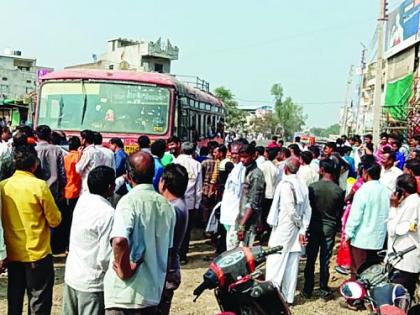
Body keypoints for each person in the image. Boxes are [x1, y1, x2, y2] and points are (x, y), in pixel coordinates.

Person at [103, 152, 176, 314]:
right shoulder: (167, 206)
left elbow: (119, 241)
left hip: (124, 296)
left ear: (128, 176)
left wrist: (124, 270)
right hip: (151, 294)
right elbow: (169, 252)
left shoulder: (128, 201)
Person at [0, 147, 62, 315]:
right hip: (38, 252)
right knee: (39, 299)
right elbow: (55, 220)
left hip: (12, 253)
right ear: (34, 166)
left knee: (14, 298)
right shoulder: (39, 186)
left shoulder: (3, 186)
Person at [63, 166, 116, 315]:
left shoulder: (83, 200)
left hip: (73, 276)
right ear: (110, 187)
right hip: (92, 283)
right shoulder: (108, 213)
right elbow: (105, 257)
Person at [266, 157, 311, 304]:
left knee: (276, 259)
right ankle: (287, 296)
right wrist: (303, 228)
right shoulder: (302, 185)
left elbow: (290, 209)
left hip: (286, 226)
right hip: (295, 227)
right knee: (291, 260)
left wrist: (299, 225)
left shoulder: (286, 185)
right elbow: (307, 210)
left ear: (285, 168)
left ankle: (272, 295)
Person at [303, 159, 344, 300]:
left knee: (310, 259)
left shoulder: (312, 187)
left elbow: (307, 208)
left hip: (314, 225)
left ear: (321, 170)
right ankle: (323, 288)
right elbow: (339, 212)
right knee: (325, 259)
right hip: (329, 227)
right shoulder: (338, 190)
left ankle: (308, 289)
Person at [345, 162, 390, 280]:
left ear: (365, 173)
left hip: (361, 239)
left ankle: (357, 296)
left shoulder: (363, 191)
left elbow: (355, 217)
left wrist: (348, 234)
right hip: (379, 239)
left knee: (358, 270)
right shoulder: (386, 191)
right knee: (373, 272)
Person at [157, 164, 189, 315]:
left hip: (166, 273)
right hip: (169, 270)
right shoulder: (179, 204)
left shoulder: (172, 209)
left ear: (164, 183)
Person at [387, 174, 420, 299]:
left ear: (401, 191)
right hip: (408, 258)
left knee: (399, 297)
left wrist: (393, 207)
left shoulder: (410, 205)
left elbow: (392, 229)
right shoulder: (415, 201)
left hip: (404, 259)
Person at [227, 144, 265, 249]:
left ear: (253, 156)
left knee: (244, 254)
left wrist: (242, 226)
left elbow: (253, 203)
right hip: (241, 219)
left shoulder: (256, 175)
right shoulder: (246, 171)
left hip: (248, 223)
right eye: (241, 157)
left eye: (245, 157)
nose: (242, 160)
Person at [174, 142, 202, 264]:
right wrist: (197, 205)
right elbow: (199, 188)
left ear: (181, 150)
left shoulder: (175, 162)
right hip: (189, 202)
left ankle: (174, 253)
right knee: (185, 230)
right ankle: (183, 255)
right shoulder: (197, 165)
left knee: (174, 228)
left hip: (174, 200)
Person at [35, 125, 67, 203]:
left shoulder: (33, 149)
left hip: (36, 188)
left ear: (37, 136)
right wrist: (62, 187)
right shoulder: (57, 150)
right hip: (53, 188)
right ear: (49, 135)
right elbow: (61, 171)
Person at [63, 136, 83, 250]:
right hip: (78, 191)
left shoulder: (66, 158)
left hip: (66, 191)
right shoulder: (80, 157)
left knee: (67, 220)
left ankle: (66, 245)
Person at [258, 148, 279, 238]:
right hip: (272, 193)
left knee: (261, 214)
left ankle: (262, 230)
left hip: (264, 193)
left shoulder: (262, 166)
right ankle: (266, 230)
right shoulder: (275, 168)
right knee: (267, 213)